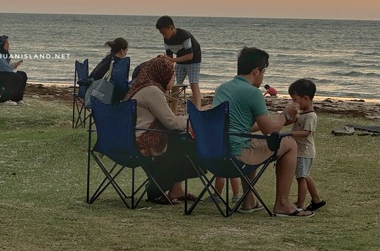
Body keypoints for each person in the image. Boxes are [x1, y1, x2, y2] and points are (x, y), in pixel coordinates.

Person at [212, 47, 312, 217]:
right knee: (289, 143)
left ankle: (249, 201)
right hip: (237, 154)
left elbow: (238, 127)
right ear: (256, 71)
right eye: (264, 71)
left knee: (253, 142)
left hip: (215, 153)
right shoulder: (253, 93)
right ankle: (282, 203)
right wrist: (284, 114)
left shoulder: (222, 88)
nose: (263, 76)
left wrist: (277, 120)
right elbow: (270, 132)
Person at [125, 56, 198, 204]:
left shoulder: (141, 87)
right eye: (172, 73)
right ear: (162, 73)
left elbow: (168, 120)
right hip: (145, 142)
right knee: (187, 143)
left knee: (180, 139)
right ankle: (155, 189)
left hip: (129, 139)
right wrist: (195, 118)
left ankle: (175, 189)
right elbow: (173, 124)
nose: (174, 77)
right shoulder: (152, 91)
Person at [289, 78, 326, 212]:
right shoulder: (302, 113)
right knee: (304, 175)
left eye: (295, 99)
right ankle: (316, 199)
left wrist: (290, 134)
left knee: (301, 178)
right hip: (300, 150)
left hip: (304, 151)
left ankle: (300, 204)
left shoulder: (311, 116)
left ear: (306, 98)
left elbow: (307, 132)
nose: (294, 102)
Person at [155, 16, 203, 109]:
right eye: (161, 34)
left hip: (193, 60)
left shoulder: (184, 35)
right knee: (175, 85)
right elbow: (169, 57)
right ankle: (173, 111)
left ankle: (198, 109)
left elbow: (190, 55)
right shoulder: (166, 39)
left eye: (164, 33)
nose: (163, 36)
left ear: (171, 28)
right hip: (180, 61)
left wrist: (173, 60)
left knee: (193, 84)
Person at [0, 34, 27, 105]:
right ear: (1, 44)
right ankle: (4, 100)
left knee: (23, 74)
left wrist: (13, 66)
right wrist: (13, 66)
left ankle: (17, 99)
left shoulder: (1, 54)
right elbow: (6, 68)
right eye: (6, 42)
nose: (8, 44)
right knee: (16, 77)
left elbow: (5, 67)